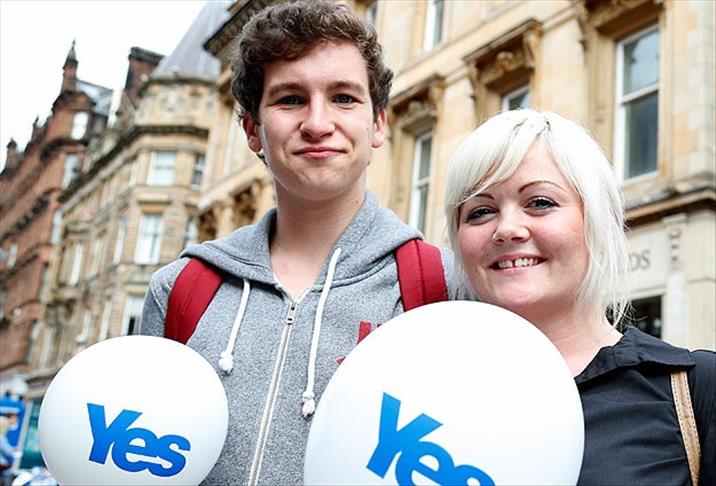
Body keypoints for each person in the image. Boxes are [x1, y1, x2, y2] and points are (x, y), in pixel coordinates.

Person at [140, 1, 452, 484]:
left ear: (378, 123)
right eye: (290, 100)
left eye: (344, 98)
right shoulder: (181, 288)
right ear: (253, 130)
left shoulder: (440, 288)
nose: (318, 123)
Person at [444, 109, 714, 485]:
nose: (506, 229)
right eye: (481, 211)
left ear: (598, 219)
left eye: (540, 202)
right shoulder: (433, 389)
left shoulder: (697, 390)